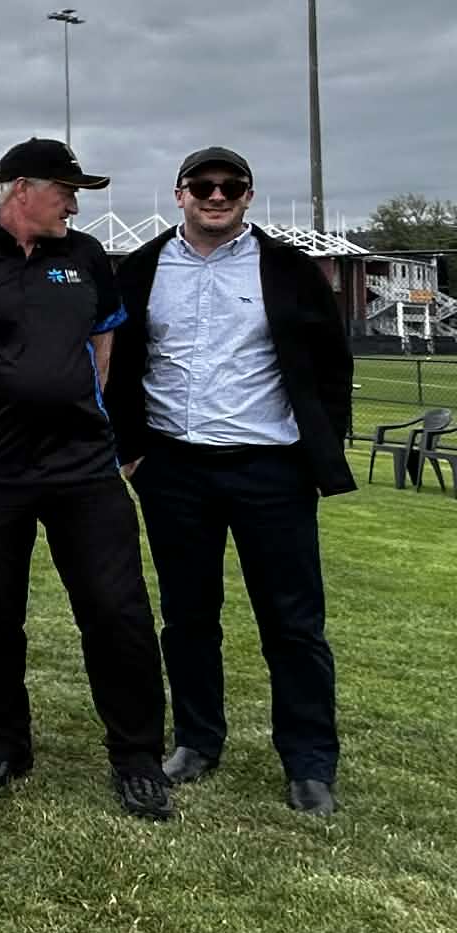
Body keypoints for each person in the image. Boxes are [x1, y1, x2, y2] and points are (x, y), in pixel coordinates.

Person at [0, 139, 172, 821]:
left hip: (84, 468)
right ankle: (2, 741)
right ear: (21, 187)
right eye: (65, 189)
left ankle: (137, 754)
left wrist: (68, 407)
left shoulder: (85, 256)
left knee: (117, 611)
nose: (75, 203)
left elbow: (102, 350)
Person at [106, 146, 353, 816]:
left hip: (271, 467)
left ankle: (308, 762)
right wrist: (132, 453)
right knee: (188, 617)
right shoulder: (143, 269)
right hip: (174, 468)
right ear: (179, 193)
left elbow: (332, 365)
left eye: (231, 187)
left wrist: (316, 452)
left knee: (294, 622)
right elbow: (117, 365)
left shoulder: (290, 270)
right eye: (203, 187)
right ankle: (196, 740)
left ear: (247, 195)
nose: (217, 197)